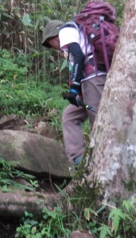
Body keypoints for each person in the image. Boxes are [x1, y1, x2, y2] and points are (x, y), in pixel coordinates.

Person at [41, 18, 107, 165]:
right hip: (88, 82)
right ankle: (77, 159)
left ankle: (101, 164)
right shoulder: (75, 35)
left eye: (50, 44)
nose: (53, 48)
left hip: (94, 78)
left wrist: (74, 87)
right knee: (69, 116)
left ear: (53, 37)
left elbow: (79, 56)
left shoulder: (65, 31)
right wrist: (77, 92)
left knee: (97, 120)